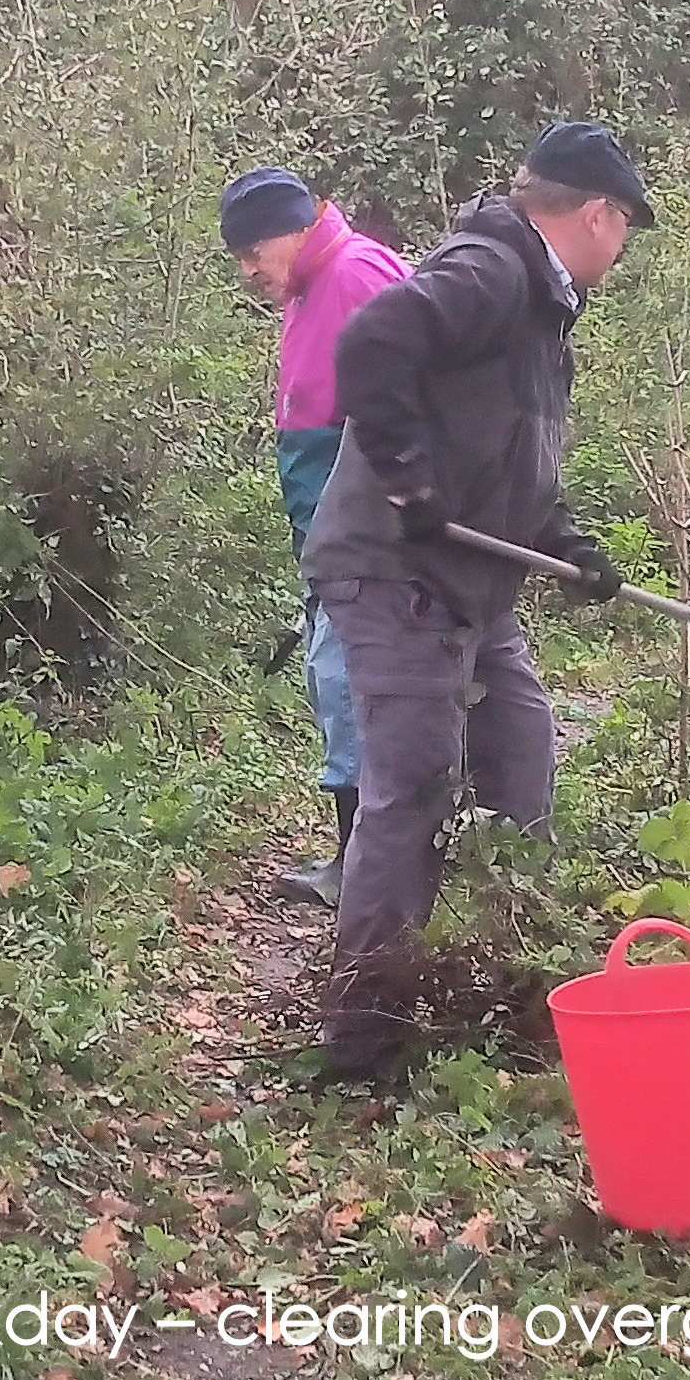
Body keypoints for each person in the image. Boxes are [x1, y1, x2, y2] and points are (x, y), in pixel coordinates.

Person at [299, 121, 652, 1076]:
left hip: (472, 587)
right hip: (396, 572)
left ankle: (496, 978)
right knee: (412, 786)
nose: (622, 246)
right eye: (626, 225)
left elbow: (511, 465)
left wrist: (570, 548)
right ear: (596, 213)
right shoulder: (491, 270)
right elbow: (372, 341)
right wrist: (406, 476)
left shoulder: (540, 309)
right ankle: (363, 1033)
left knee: (519, 750)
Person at [221, 167, 411, 908]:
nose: (247, 271)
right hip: (333, 535)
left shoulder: (354, 276)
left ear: (295, 229)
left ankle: (362, 869)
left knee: (347, 687)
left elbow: (416, 403)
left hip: (366, 539)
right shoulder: (310, 287)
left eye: (253, 252)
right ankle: (358, 861)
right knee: (337, 686)